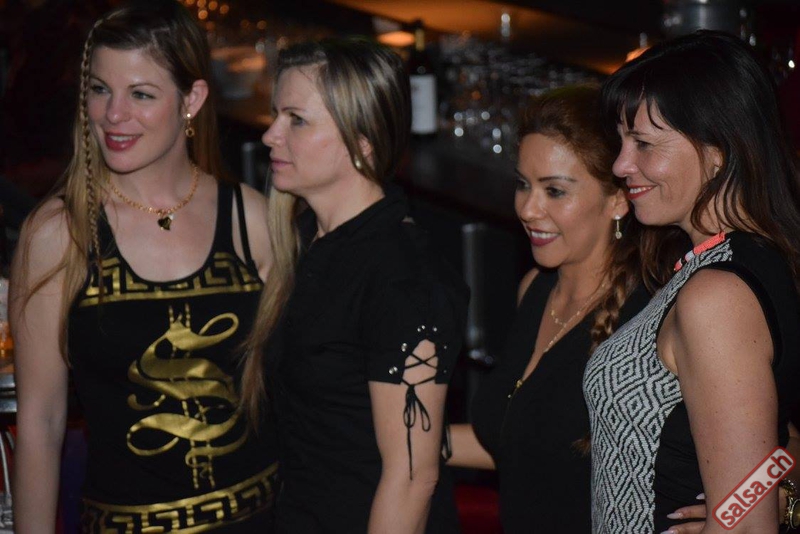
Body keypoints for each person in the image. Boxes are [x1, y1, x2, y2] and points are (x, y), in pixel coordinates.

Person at [11, 2, 278, 532]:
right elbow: (41, 424)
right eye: (99, 89)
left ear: (191, 100)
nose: (113, 115)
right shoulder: (59, 234)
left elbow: (299, 395)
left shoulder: (251, 219)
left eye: (141, 94)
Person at [239, 38, 469, 533]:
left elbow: (412, 479)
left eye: (297, 120)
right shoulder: (307, 241)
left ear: (362, 140)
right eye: (276, 115)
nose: (271, 135)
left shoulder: (402, 278)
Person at [586, 29, 800, 533]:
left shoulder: (719, 294)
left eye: (643, 143)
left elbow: (748, 527)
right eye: (622, 142)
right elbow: (776, 436)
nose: (621, 165)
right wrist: (771, 498)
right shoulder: (739, 261)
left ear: (718, 150)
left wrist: (743, 516)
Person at [447, 85, 667, 533]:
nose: (528, 209)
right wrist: (391, 435)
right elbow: (516, 442)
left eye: (555, 191)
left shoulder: (650, 319)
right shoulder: (534, 289)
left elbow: (777, 441)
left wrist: (770, 505)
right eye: (523, 185)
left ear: (618, 199)